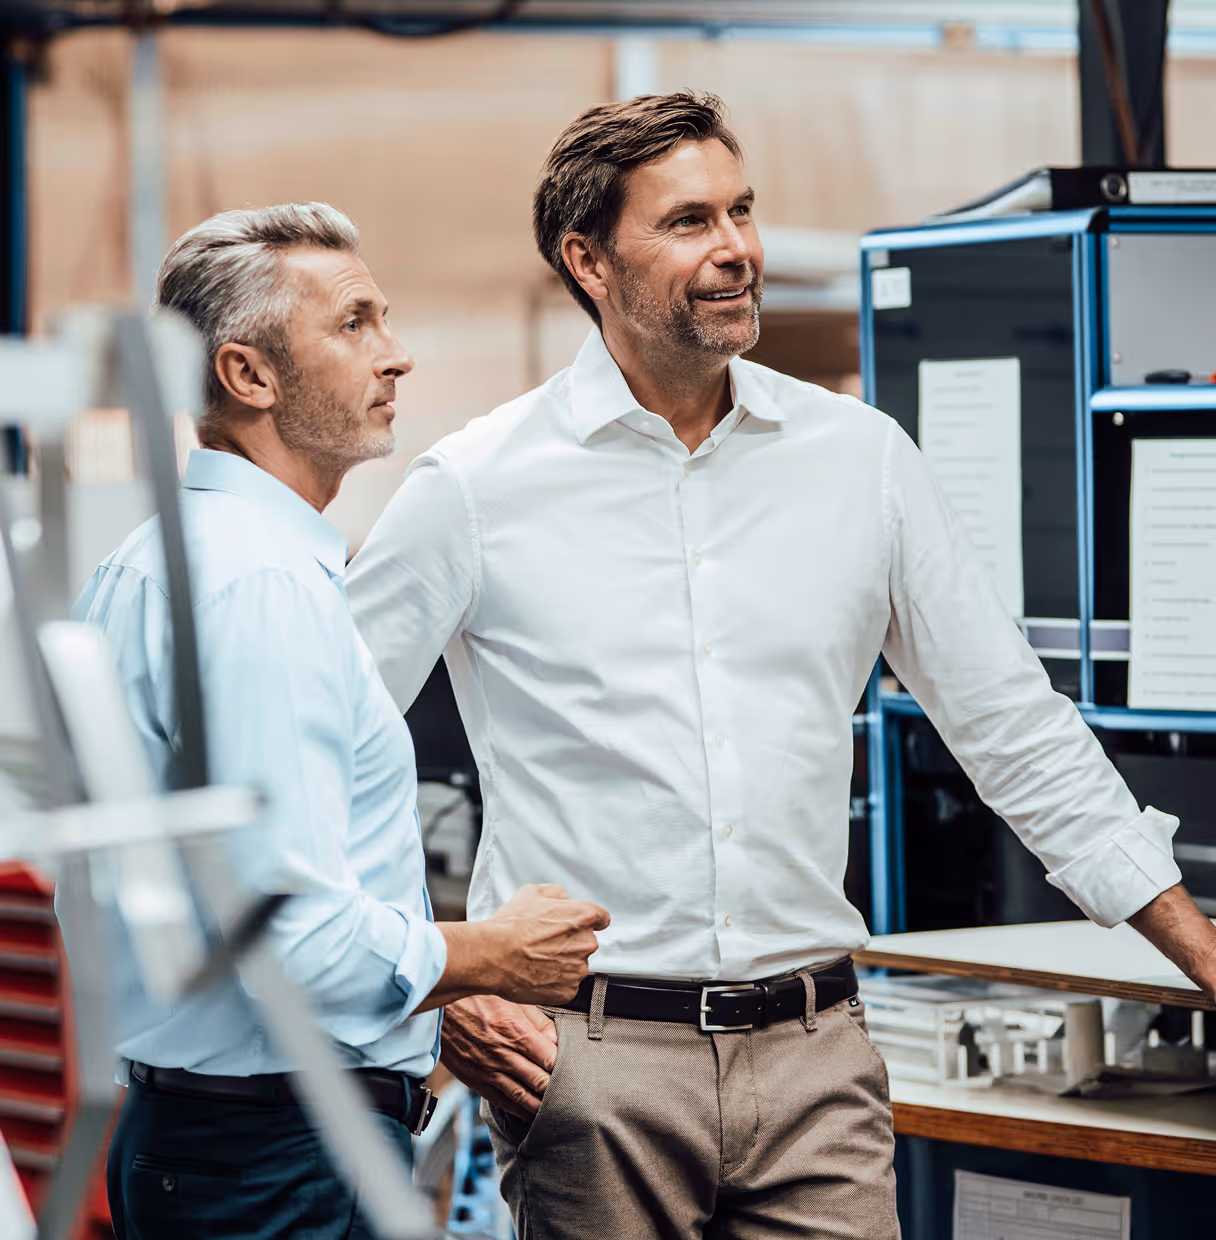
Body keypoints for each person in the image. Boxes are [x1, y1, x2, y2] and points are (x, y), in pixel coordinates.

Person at [346, 94, 1216, 1239]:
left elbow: (1011, 724)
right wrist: (434, 979)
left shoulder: (859, 460)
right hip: (593, 1065)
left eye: (743, 211)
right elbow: (324, 751)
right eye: (690, 222)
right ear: (587, 259)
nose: (736, 250)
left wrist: (1197, 950)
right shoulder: (474, 485)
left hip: (816, 1056)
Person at [71, 202, 609, 1240]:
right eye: (354, 323)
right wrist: (485, 952)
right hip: (275, 1159)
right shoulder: (257, 586)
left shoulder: (168, 559)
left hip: (219, 1141)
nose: (395, 356)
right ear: (250, 376)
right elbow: (285, 936)